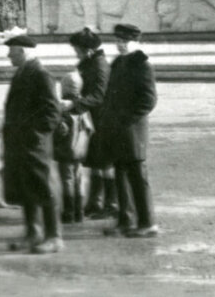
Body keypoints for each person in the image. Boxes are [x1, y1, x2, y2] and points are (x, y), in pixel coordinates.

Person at [1, 34, 63, 254]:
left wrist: (35, 135)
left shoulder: (41, 75)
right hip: (21, 144)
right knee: (27, 188)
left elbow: (52, 112)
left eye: (12, 51)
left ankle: (54, 236)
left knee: (43, 188)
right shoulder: (23, 73)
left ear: (23, 52)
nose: (8, 55)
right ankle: (33, 232)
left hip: (34, 144)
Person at [100, 23, 160, 238]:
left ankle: (148, 223)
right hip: (118, 130)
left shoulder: (141, 64)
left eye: (125, 41)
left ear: (136, 42)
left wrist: (125, 120)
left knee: (137, 177)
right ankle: (125, 220)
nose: (120, 45)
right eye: (118, 41)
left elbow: (149, 100)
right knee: (121, 175)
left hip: (133, 131)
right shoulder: (118, 63)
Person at [63, 27, 115, 219]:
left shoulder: (100, 65)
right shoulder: (89, 62)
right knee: (95, 162)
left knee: (105, 163)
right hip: (93, 119)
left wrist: (74, 103)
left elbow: (98, 96)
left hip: (103, 120)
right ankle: (96, 202)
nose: (75, 52)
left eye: (77, 49)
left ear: (88, 49)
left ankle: (111, 203)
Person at [54, 71, 92, 224]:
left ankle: (69, 212)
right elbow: (90, 128)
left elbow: (59, 130)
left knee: (67, 180)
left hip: (65, 150)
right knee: (79, 179)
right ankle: (79, 212)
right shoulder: (83, 107)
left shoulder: (63, 108)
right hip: (80, 150)